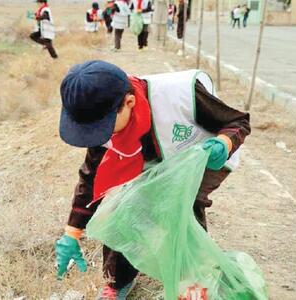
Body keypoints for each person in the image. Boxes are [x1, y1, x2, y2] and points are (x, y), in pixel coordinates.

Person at [55, 60, 250, 299]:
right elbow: (91, 177)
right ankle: (118, 281)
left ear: (129, 102)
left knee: (181, 207)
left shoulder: (179, 94)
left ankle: (193, 280)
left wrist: (223, 143)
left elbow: (238, 121)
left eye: (102, 128)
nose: (99, 136)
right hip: (151, 157)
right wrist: (72, 232)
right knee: (122, 205)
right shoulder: (105, 122)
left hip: (204, 155)